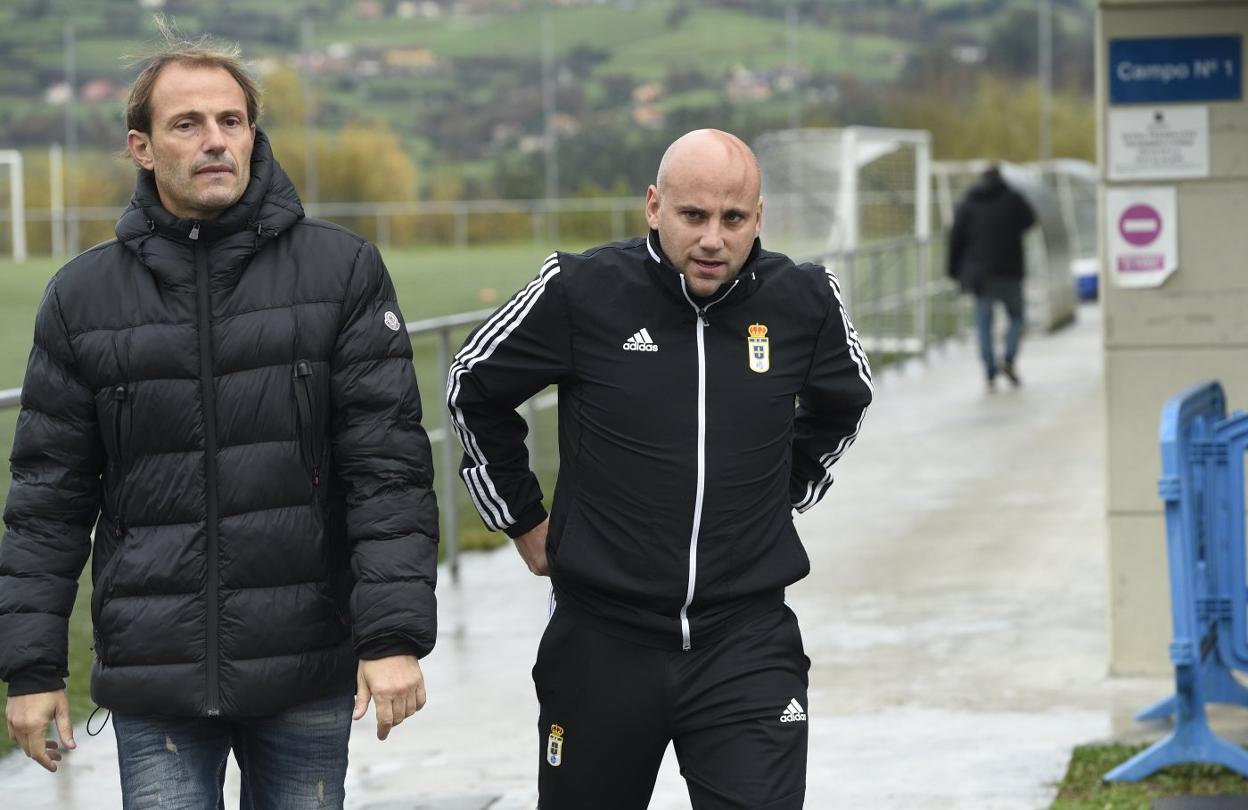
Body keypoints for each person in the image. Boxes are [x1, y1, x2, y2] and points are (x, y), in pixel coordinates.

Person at [0, 30, 438, 809]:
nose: (215, 141)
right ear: (141, 146)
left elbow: (388, 472)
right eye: (188, 124)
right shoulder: (81, 299)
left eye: (232, 122)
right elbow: (47, 502)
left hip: (305, 667)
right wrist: (31, 669)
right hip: (154, 680)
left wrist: (393, 635)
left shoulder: (342, 272)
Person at [447, 129, 873, 809]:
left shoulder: (805, 300)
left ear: (757, 218)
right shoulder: (580, 289)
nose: (712, 239)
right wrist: (523, 519)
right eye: (693, 216)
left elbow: (846, 401)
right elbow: (473, 385)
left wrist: (782, 491)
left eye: (732, 219)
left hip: (746, 643)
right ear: (654, 206)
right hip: (602, 645)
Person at [947, 162, 1037, 391]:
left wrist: (952, 269)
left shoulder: (969, 202)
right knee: (1016, 317)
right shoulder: (1013, 198)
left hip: (980, 275)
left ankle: (989, 372)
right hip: (1010, 271)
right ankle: (1008, 357)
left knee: (984, 324)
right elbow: (1030, 220)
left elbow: (955, 238)